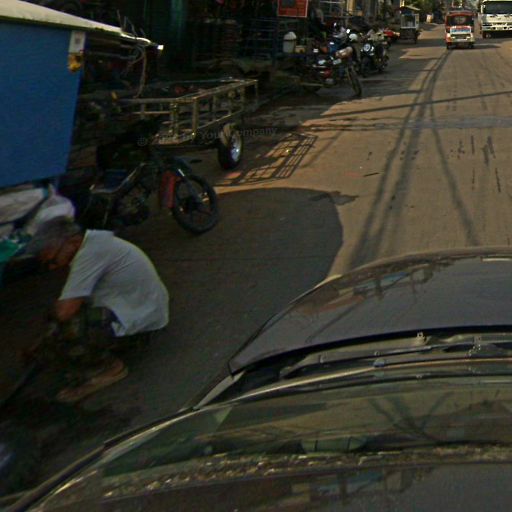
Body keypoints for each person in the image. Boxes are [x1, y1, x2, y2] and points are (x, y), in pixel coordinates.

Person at [26, 216, 169, 402]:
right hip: (140, 308)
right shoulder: (94, 244)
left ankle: (110, 369)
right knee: (63, 318)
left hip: (142, 319)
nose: (53, 268)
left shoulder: (91, 254)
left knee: (70, 325)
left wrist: (53, 329)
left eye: (52, 261)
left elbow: (64, 312)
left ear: (72, 242)